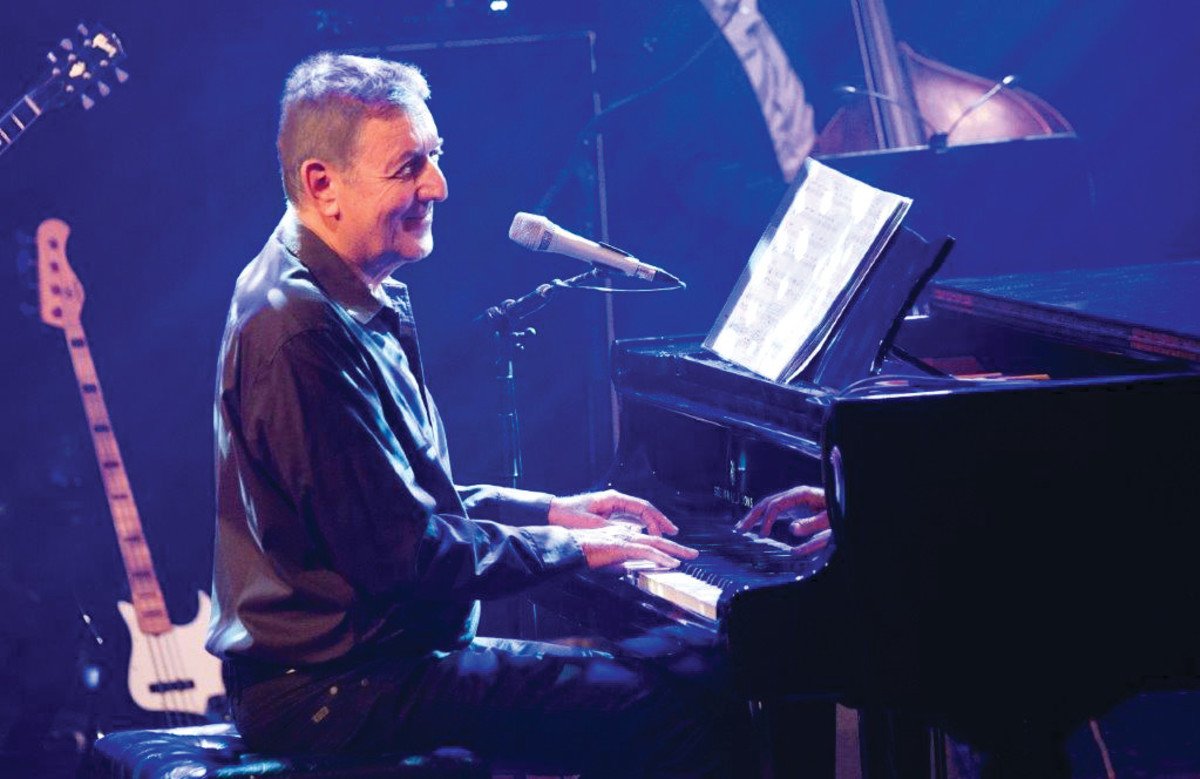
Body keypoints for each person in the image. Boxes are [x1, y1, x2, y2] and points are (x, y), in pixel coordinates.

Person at [206, 52, 749, 776]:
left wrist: (552, 512)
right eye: (408, 167)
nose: (438, 185)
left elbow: (391, 506)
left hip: (369, 666)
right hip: (333, 691)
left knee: (680, 676)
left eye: (436, 156)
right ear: (322, 184)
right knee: (669, 710)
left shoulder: (336, 295)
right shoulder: (300, 330)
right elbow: (406, 556)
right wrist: (572, 549)